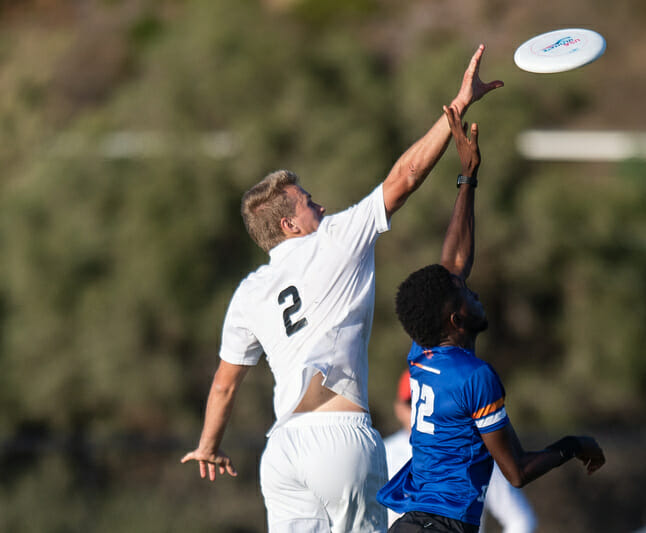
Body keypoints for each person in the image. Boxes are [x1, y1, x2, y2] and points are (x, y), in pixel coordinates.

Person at [180, 45, 504, 533]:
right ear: (290, 223)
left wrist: (208, 444)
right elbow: (407, 175)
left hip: (283, 451)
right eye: (309, 202)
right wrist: (456, 108)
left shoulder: (250, 291)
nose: (322, 205)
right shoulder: (334, 239)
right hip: (339, 440)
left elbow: (225, 384)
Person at [377, 105, 606, 533]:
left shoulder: (423, 351)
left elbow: (453, 264)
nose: (473, 289)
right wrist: (574, 445)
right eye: (464, 293)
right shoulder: (475, 376)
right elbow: (516, 471)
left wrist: (467, 178)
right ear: (454, 317)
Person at [383, 369, 537, 533]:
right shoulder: (383, 452)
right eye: (413, 403)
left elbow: (520, 519)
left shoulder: (473, 451)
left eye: (430, 402)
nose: (422, 410)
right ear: (398, 409)